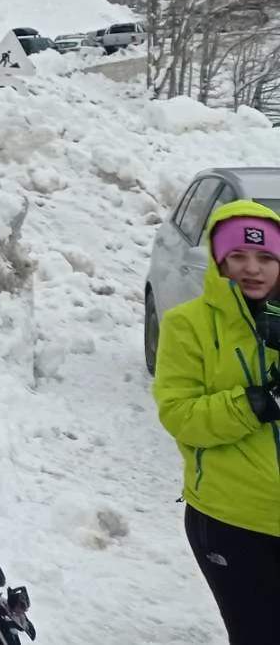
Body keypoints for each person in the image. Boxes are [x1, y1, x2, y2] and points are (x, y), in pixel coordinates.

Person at [153, 199, 280, 645]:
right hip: (233, 521)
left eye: (266, 256)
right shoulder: (187, 325)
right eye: (238, 256)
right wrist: (257, 403)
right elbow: (181, 415)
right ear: (217, 260)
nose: (253, 268)